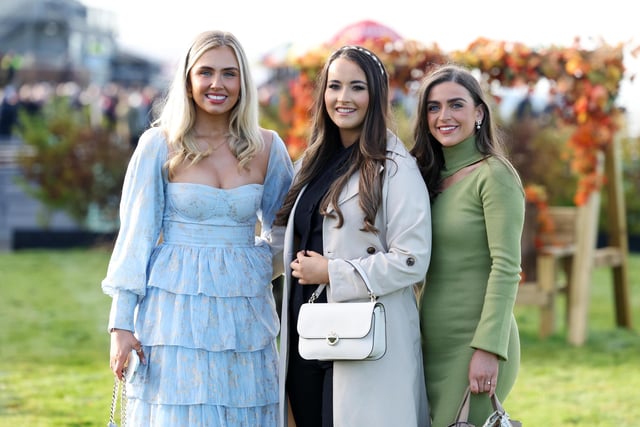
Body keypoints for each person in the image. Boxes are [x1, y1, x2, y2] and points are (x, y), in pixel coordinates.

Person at [102, 30, 294, 426]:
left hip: (244, 311)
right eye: (205, 72)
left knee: (246, 408)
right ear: (188, 79)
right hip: (173, 310)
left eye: (229, 73)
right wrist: (120, 324)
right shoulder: (159, 144)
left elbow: (286, 229)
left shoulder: (268, 147)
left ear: (244, 81)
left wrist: (255, 263)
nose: (217, 84)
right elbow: (135, 238)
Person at [274, 45, 432, 427]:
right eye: (334, 86)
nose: (343, 98)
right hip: (306, 333)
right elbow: (286, 238)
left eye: (357, 87)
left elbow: (412, 258)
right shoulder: (311, 162)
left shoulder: (394, 167)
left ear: (375, 95)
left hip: (366, 336)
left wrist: (334, 273)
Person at [410, 64, 524, 427]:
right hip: (428, 343)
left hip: (476, 344)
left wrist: (489, 348)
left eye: (456, 105)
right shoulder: (422, 178)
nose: (444, 116)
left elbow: (506, 268)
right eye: (433, 107)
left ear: (478, 112)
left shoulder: (495, 175)